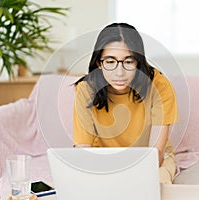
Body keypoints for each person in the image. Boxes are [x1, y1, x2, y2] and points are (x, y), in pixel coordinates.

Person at [73, 23, 178, 184]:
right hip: (103, 161)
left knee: (158, 182)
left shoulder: (159, 85)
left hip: (150, 161)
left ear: (138, 62)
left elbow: (155, 154)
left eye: (128, 62)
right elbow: (83, 149)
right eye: (110, 62)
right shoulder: (86, 89)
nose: (119, 73)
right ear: (99, 64)